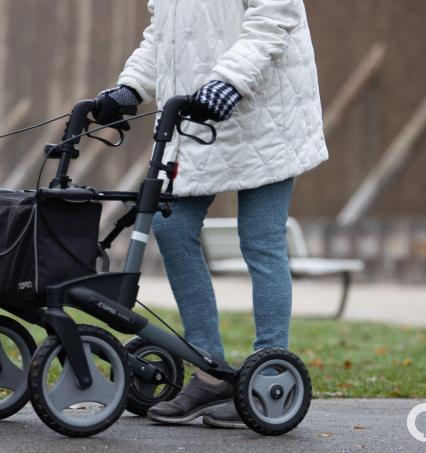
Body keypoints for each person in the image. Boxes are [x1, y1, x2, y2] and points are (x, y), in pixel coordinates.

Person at [90, 0, 328, 428]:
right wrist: (130, 87)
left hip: (265, 115)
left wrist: (229, 81)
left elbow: (273, 19)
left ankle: (269, 373)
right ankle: (210, 370)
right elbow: (164, 38)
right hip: (200, 120)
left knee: (260, 240)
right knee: (171, 225)